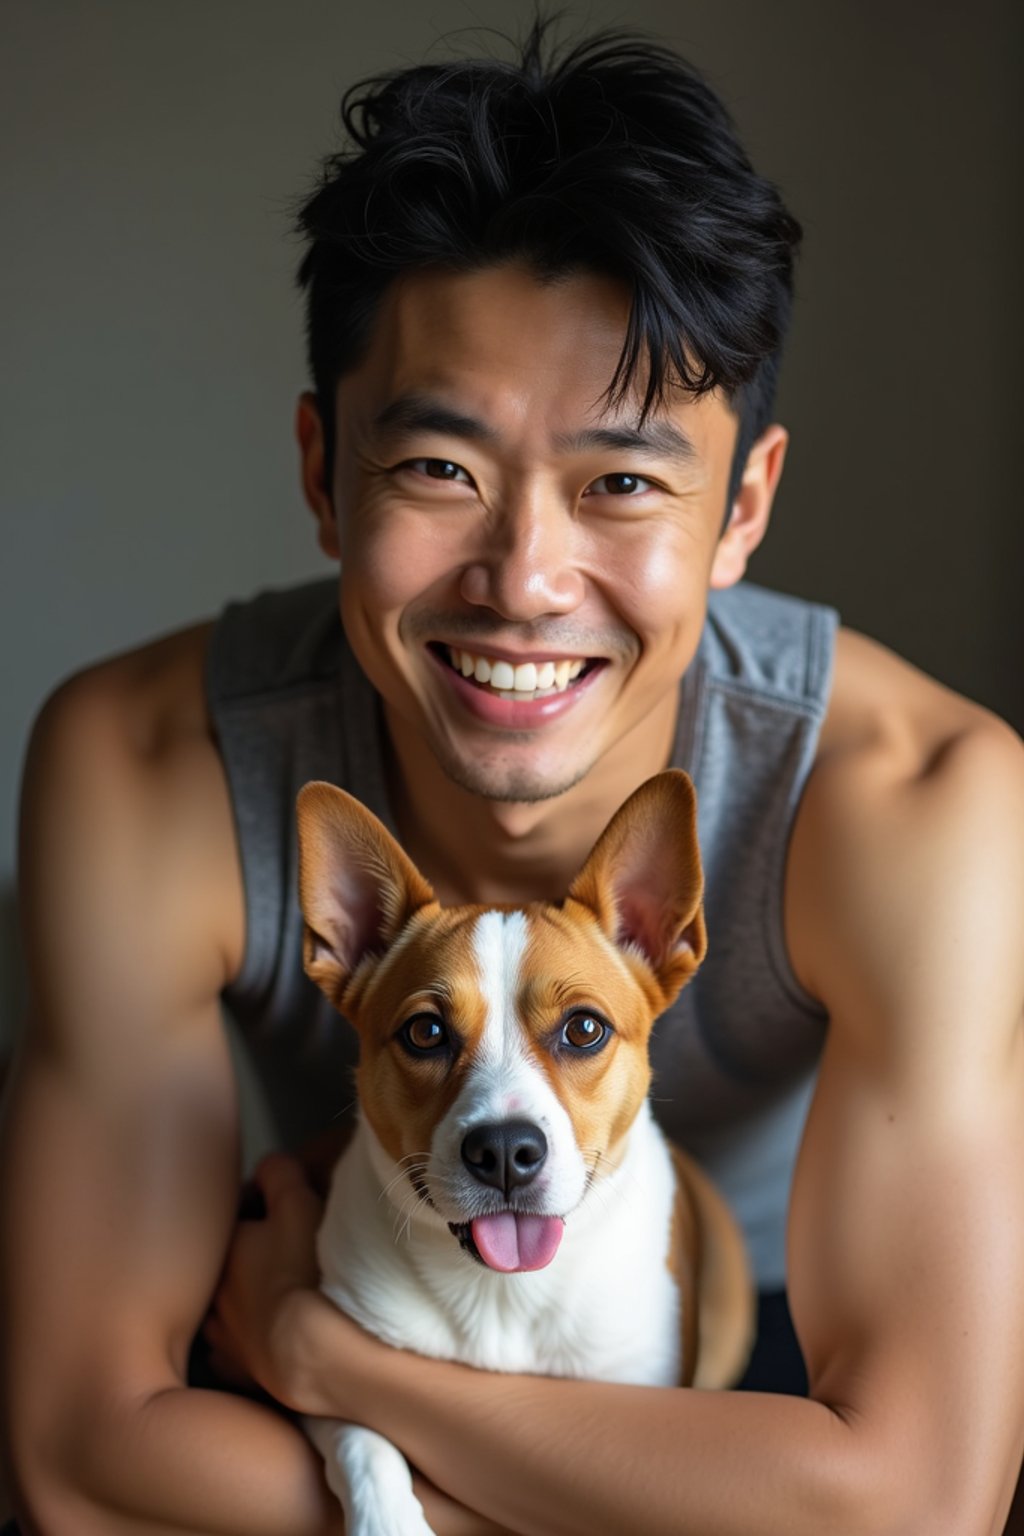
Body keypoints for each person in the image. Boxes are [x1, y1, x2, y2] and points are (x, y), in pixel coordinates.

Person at [3, 22, 1023, 1536]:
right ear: (321, 472)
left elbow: (912, 1509)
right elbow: (83, 1468)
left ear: (744, 508)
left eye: (621, 481)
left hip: (737, 1356)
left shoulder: (917, 799)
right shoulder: (148, 766)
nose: (525, 580)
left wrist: (329, 1362)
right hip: (351, 1275)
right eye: (439, 469)